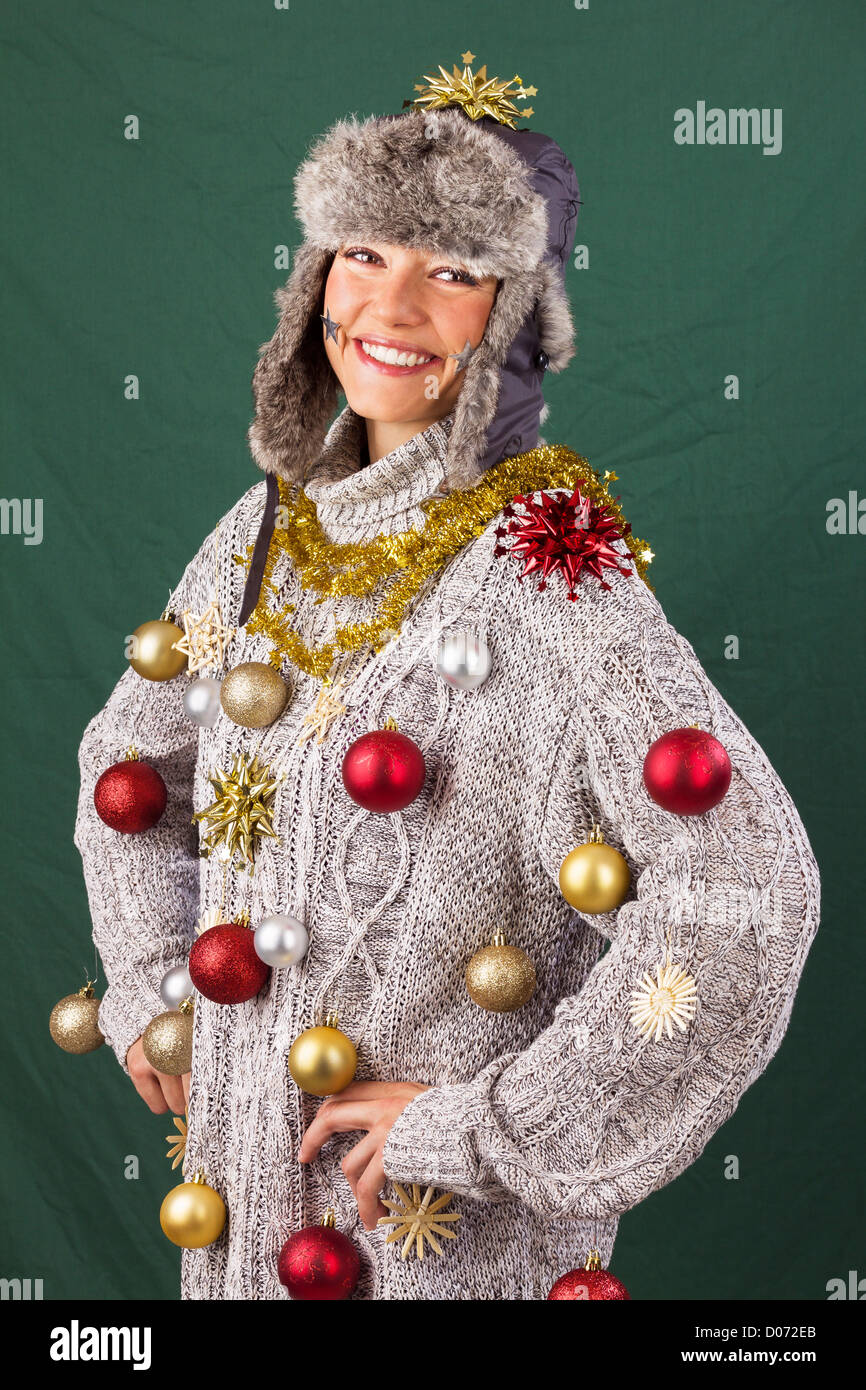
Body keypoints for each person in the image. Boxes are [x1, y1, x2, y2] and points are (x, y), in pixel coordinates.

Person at [73, 57, 821, 1301]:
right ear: (314, 277)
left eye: (454, 270)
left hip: (441, 1259)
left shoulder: (550, 570)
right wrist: (161, 985)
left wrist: (497, 1125)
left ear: (513, 316)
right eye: (363, 251)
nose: (394, 301)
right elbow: (130, 772)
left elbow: (743, 887)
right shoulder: (262, 534)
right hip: (239, 1239)